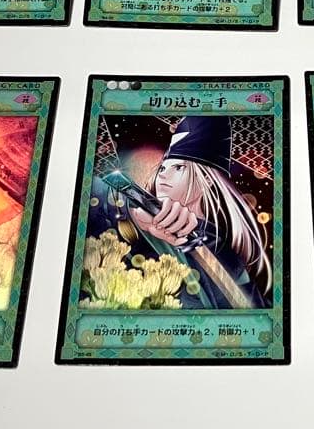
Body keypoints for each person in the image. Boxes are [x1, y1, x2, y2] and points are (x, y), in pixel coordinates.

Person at [96, 115, 272, 309]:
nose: (163, 174)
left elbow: (249, 307)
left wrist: (194, 239)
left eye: (179, 167)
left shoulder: (216, 244)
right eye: (163, 167)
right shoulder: (139, 220)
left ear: (207, 179)